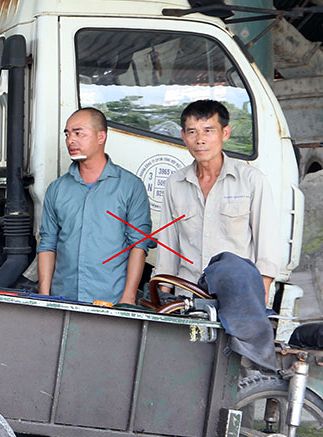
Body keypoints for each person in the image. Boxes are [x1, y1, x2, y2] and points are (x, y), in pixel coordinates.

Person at [154, 99, 280, 302]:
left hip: (238, 296)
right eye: (192, 132)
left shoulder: (251, 180)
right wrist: (163, 295)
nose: (200, 140)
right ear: (183, 136)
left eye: (208, 131)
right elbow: (168, 247)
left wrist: (259, 299)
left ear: (225, 133)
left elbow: (267, 249)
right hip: (187, 296)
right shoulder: (175, 183)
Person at [37, 107, 153, 305]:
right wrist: (44, 295)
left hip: (111, 300)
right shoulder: (57, 189)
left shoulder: (130, 186)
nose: (71, 140)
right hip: (63, 298)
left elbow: (138, 244)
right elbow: (48, 243)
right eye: (67, 134)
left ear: (101, 137)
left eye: (78, 133)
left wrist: (128, 297)